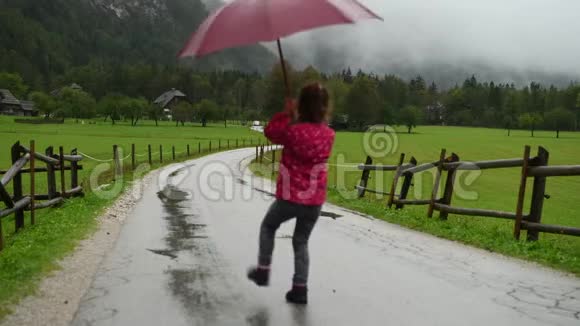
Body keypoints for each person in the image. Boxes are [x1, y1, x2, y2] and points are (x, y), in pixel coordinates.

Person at [247, 83, 336, 305]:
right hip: (314, 200)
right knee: (301, 241)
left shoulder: (292, 130)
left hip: (290, 197)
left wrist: (286, 114)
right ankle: (300, 289)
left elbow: (270, 132)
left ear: (301, 104)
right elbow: (313, 133)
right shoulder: (329, 134)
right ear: (325, 107)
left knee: (268, 226)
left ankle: (263, 269)